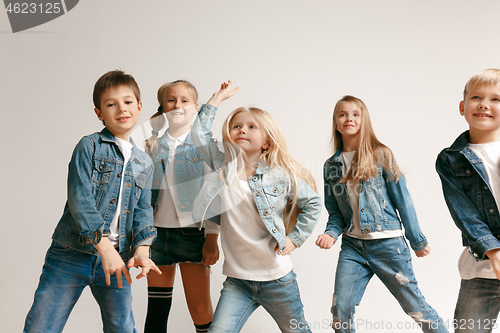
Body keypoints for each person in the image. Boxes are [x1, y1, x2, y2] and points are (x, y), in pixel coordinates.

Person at [23, 70, 161, 333]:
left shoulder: (145, 162)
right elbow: (80, 200)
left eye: (128, 102)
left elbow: (144, 210)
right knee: (41, 326)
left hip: (118, 259)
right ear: (99, 113)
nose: (122, 108)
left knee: (122, 328)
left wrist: (142, 250)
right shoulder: (89, 146)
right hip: (71, 255)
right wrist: (105, 248)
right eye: (111, 104)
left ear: (139, 107)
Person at [191, 81, 321, 333]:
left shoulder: (279, 175)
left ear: (266, 142)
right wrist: (217, 98)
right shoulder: (222, 166)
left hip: (278, 280)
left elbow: (313, 203)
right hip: (238, 282)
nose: (242, 130)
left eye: (252, 127)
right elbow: (198, 135)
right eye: (236, 126)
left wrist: (295, 239)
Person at [316, 95, 448, 333]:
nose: (349, 118)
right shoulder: (331, 166)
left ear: (364, 120)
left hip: (388, 245)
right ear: (336, 123)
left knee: (414, 306)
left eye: (356, 114)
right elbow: (335, 212)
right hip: (352, 247)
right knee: (340, 310)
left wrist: (417, 239)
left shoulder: (381, 155)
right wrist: (330, 234)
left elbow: (403, 201)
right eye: (342, 114)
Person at [144, 80, 220, 333]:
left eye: (184, 100)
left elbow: (213, 193)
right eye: (171, 100)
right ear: (164, 107)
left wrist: (212, 237)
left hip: (192, 234)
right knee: (156, 310)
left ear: (196, 107)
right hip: (156, 234)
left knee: (200, 309)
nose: (177, 105)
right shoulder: (152, 145)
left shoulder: (204, 146)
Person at [436, 68, 500, 333]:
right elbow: (464, 214)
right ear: (462, 107)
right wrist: (493, 251)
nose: (484, 104)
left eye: (496, 99)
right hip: (482, 268)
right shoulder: (450, 159)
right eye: (477, 97)